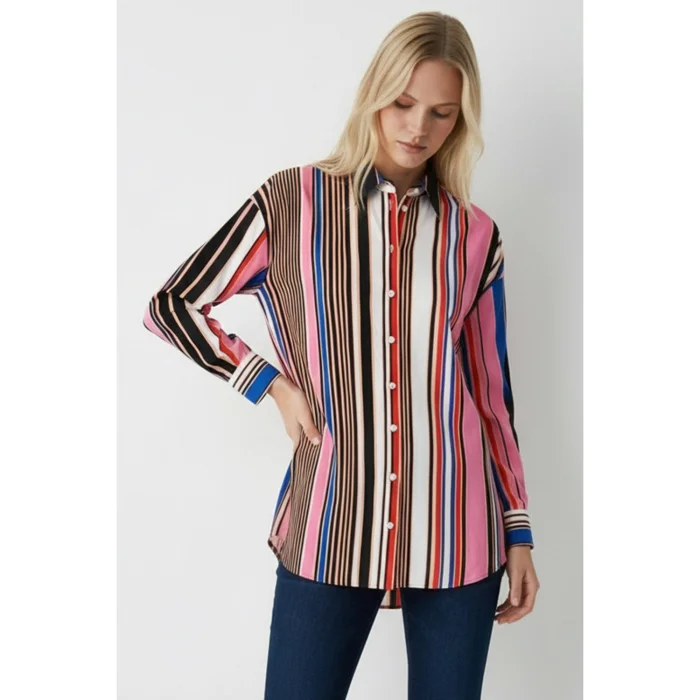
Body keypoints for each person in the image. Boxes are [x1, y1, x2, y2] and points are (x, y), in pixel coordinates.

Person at [143, 10, 540, 700]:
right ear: (374, 93)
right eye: (403, 102)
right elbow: (172, 305)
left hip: (459, 528)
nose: (418, 128)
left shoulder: (475, 234)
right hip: (331, 519)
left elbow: (490, 395)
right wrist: (269, 383)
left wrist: (519, 530)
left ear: (462, 120)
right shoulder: (291, 203)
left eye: (442, 113)